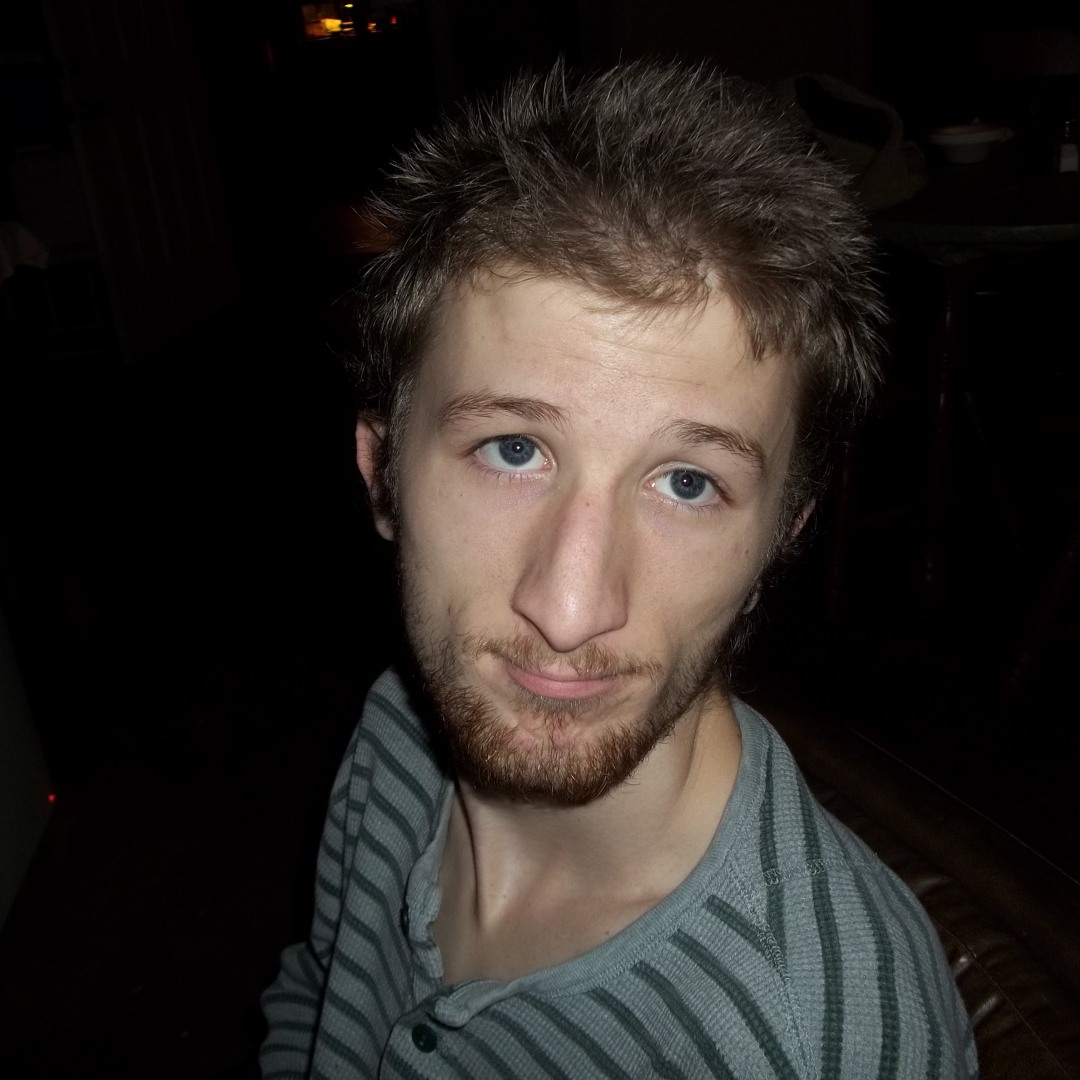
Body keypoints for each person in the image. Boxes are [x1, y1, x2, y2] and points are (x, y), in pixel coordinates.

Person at [261, 60, 977, 1078]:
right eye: (513, 449)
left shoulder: (821, 1040)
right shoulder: (397, 727)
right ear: (382, 475)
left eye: (687, 482)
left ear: (782, 538)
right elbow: (316, 995)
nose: (568, 610)